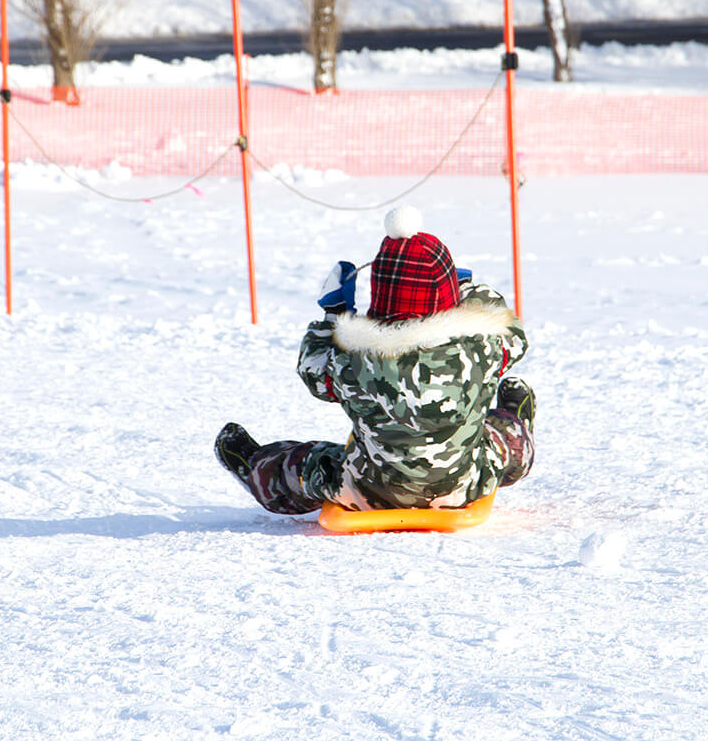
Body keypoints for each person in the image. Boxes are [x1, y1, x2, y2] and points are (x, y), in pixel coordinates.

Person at [214, 206, 535, 515]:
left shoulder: (355, 358)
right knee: (506, 443)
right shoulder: (482, 344)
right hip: (465, 483)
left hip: (371, 489)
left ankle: (255, 465)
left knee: (304, 466)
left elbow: (314, 373)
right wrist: (470, 289)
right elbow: (514, 337)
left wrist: (334, 315)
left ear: (379, 291)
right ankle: (514, 418)